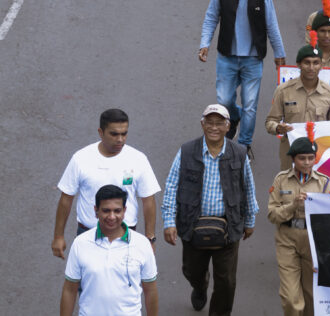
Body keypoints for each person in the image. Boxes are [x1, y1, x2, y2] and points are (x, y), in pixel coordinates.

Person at [162, 104, 258, 315]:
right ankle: (200, 285)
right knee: (191, 271)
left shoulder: (239, 153)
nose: (214, 127)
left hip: (229, 226)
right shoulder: (186, 151)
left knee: (226, 282)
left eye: (219, 123)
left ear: (227, 126)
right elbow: (171, 186)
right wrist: (169, 222)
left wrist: (249, 221)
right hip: (192, 224)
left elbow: (248, 188)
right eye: (210, 122)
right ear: (202, 124)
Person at [199, 0, 287, 153]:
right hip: (227, 57)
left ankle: (244, 145)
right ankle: (234, 116)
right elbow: (211, 17)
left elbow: (271, 25)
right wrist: (204, 44)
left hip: (253, 59)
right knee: (224, 100)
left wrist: (279, 54)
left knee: (250, 105)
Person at [53, 109, 161, 259]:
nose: (120, 139)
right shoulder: (81, 158)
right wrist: (58, 236)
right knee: (85, 281)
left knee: (125, 282)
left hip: (126, 235)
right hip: (88, 235)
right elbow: (66, 198)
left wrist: (150, 238)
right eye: (114, 134)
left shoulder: (138, 159)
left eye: (124, 134)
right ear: (100, 132)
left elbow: (148, 200)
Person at [61, 185, 158, 316]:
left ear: (124, 211)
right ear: (96, 211)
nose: (112, 217)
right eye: (106, 211)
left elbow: (150, 290)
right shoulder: (80, 243)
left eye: (117, 211)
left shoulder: (142, 244)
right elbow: (69, 289)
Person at [268, 125, 330, 316]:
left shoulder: (324, 182)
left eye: (310, 158)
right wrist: (293, 206)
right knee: (290, 298)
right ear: (293, 159)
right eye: (302, 158)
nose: (307, 162)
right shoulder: (281, 180)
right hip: (287, 239)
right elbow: (272, 215)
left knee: (311, 296)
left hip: (313, 241)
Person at [265, 39, 330, 170]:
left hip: (319, 158)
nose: (311, 68)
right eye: (307, 63)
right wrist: (278, 128)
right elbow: (270, 122)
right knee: (289, 189)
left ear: (321, 65)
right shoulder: (283, 90)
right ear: (299, 64)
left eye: (316, 63)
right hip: (290, 155)